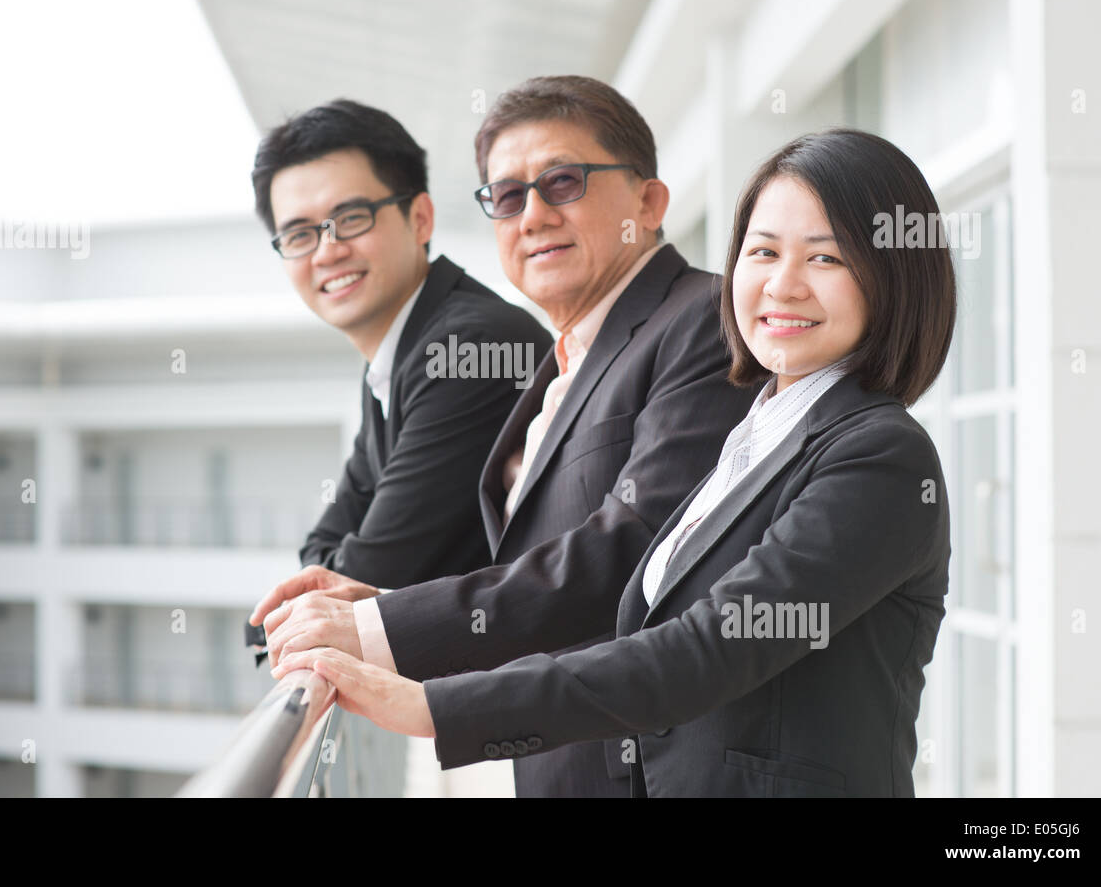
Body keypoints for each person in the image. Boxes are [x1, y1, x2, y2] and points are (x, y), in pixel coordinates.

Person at [274, 128, 958, 797]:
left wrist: (430, 706)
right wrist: (395, 609)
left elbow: (703, 650)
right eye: (763, 251)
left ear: (891, 274)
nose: (784, 285)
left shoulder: (882, 457)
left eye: (826, 258)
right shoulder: (755, 436)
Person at [252, 76, 758, 796]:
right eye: (508, 197)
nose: (534, 215)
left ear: (648, 202)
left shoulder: (703, 321)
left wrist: (373, 624)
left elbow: (635, 548)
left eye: (563, 182)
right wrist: (371, 596)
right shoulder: (562, 360)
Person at [253, 99, 551, 589]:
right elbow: (320, 551)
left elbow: (373, 572)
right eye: (300, 234)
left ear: (420, 219)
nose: (328, 251)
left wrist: (316, 586)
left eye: (351, 218)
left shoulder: (467, 349)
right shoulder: (391, 360)